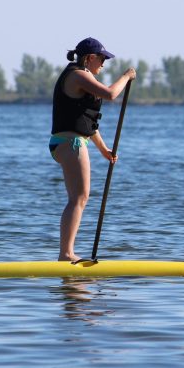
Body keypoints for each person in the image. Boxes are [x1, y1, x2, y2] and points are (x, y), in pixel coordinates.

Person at [50, 37, 136, 262]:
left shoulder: (82, 78)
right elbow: (110, 94)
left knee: (79, 197)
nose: (104, 64)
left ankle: (66, 253)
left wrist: (104, 150)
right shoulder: (77, 74)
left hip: (70, 141)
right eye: (102, 59)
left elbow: (86, 124)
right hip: (70, 143)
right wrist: (126, 76)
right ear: (89, 58)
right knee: (78, 197)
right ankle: (66, 254)